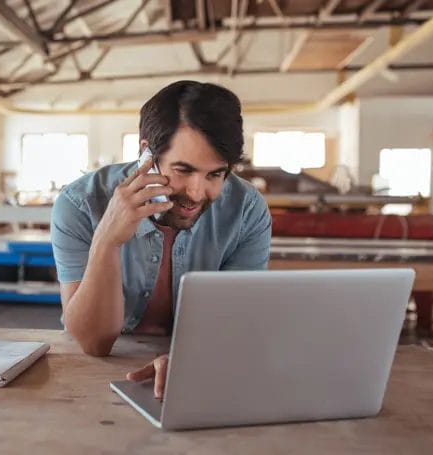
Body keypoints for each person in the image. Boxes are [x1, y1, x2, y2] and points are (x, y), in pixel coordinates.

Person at [50, 81, 272, 399]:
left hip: (198, 373)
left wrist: (191, 359)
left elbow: (234, 325)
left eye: (215, 174)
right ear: (146, 153)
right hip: (93, 376)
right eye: (182, 170)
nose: (196, 193)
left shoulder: (246, 209)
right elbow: (94, 343)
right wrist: (107, 240)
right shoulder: (81, 202)